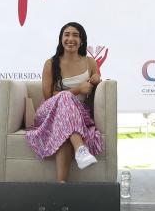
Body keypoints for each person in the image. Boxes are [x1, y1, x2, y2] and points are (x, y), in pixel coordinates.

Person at [26, 22, 103, 182]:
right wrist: (78, 89)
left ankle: (61, 185)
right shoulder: (51, 63)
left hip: (78, 114)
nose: (70, 39)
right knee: (65, 96)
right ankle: (80, 148)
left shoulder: (90, 62)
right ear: (61, 39)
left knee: (65, 134)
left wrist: (96, 78)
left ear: (82, 40)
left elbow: (96, 78)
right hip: (50, 112)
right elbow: (48, 96)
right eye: (66, 35)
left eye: (75, 35)